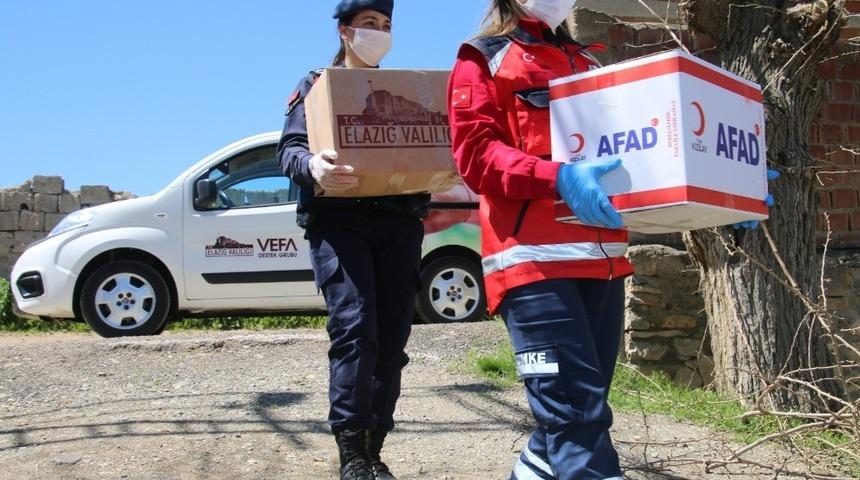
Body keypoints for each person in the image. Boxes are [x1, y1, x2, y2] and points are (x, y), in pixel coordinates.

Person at [277, 2, 429, 479]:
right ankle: (352, 454)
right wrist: (313, 168)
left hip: (398, 219)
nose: (380, 34)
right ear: (345, 31)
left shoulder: (403, 90)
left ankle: (375, 447)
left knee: (392, 340)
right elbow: (290, 150)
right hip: (339, 222)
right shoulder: (316, 85)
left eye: (386, 26)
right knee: (356, 329)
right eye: (369, 26)